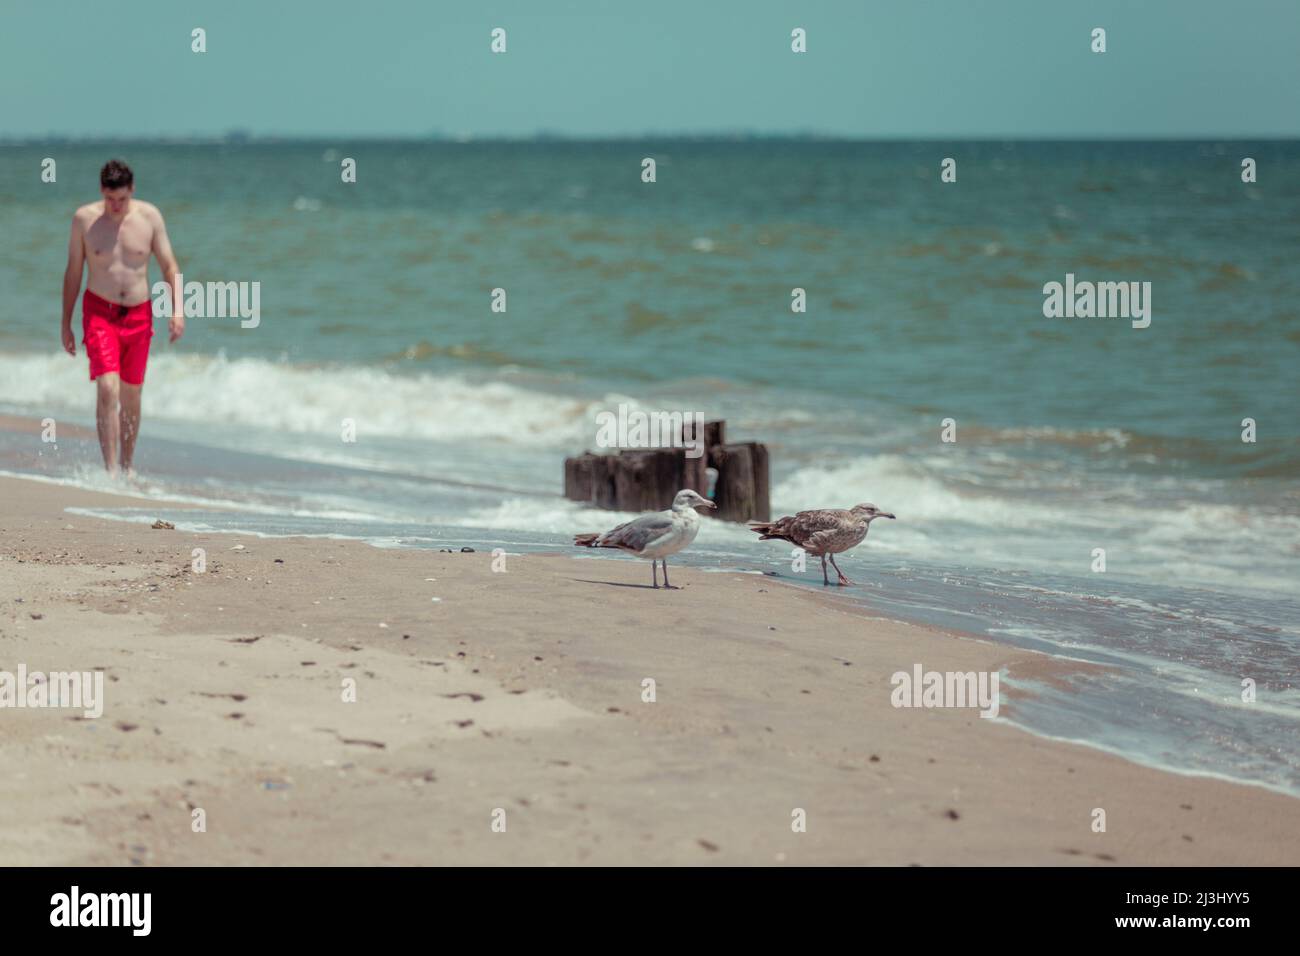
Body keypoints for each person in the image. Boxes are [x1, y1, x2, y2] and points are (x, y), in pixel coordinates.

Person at [61, 159, 184, 477]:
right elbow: (74, 272)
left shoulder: (150, 217)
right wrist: (66, 323)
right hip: (99, 312)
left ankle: (128, 466)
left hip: (139, 315)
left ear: (132, 190)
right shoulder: (84, 220)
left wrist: (177, 310)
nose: (115, 206)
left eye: (122, 199)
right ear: (102, 191)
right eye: (110, 199)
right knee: (107, 387)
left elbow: (170, 266)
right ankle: (110, 469)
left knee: (131, 393)